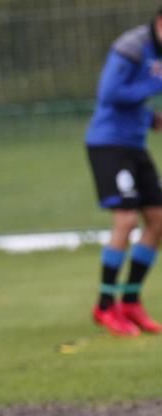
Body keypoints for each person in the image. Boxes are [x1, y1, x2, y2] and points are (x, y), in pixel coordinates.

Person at [85, 8, 162, 336]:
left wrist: (150, 120)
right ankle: (105, 305)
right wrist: (152, 83)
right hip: (108, 144)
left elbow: (137, 101)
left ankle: (130, 302)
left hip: (134, 144)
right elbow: (110, 94)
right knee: (126, 220)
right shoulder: (131, 46)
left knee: (158, 219)